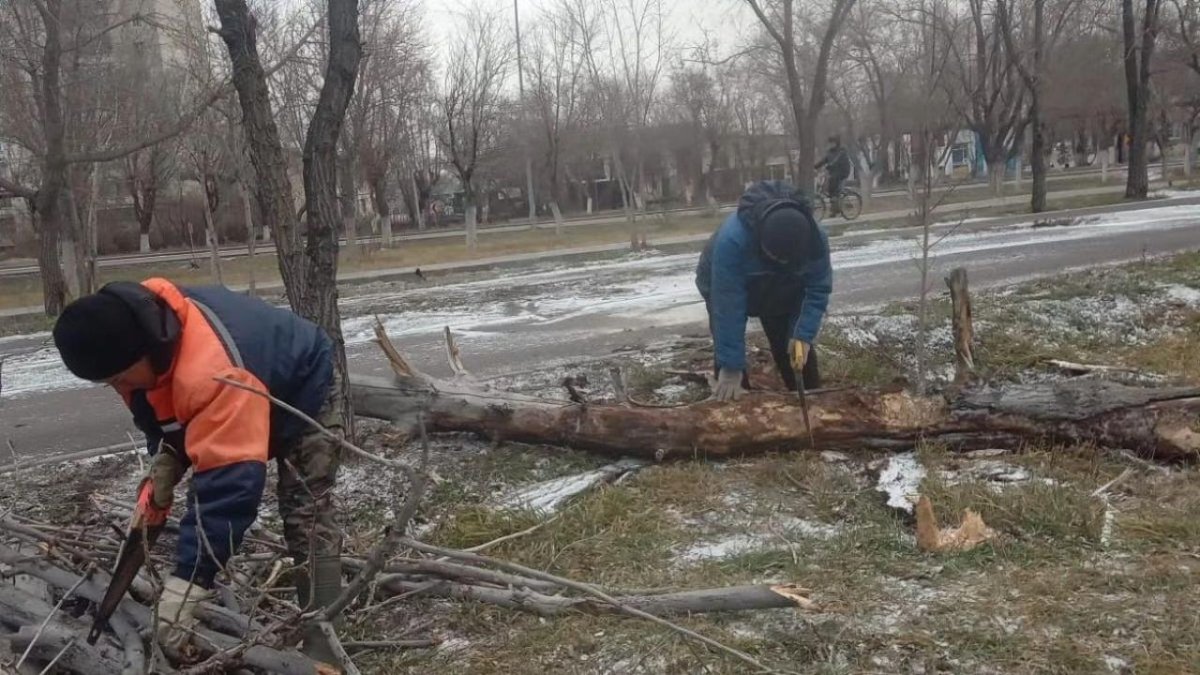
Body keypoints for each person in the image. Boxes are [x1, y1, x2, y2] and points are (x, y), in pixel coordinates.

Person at [52, 278, 343, 662]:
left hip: (301, 387)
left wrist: (189, 581)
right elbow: (158, 405)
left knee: (305, 512)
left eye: (119, 378)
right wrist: (166, 454)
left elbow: (229, 489)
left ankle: (325, 641)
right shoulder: (142, 329)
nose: (118, 387)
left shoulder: (212, 372)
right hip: (239, 386)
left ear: (143, 353)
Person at [695, 180, 833, 400]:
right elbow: (728, 307)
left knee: (791, 348)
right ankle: (737, 413)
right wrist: (730, 366)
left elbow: (816, 288)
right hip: (723, 284)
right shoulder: (733, 242)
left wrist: (802, 334)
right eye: (778, 258)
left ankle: (812, 404)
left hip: (783, 285)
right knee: (731, 370)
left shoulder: (814, 239)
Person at [815, 135, 853, 215]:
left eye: (832, 143)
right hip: (834, 173)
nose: (831, 144)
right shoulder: (829, 152)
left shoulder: (842, 151)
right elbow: (824, 160)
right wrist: (816, 166)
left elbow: (837, 161)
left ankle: (837, 207)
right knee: (830, 190)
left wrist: (831, 165)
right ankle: (835, 210)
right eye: (830, 143)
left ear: (836, 143)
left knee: (835, 190)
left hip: (843, 172)